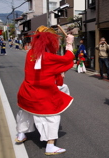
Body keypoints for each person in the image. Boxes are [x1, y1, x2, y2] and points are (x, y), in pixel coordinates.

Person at [15, 25, 75, 156]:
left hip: (26, 92)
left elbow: (44, 70)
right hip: (43, 94)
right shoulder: (49, 58)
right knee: (52, 117)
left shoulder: (30, 53)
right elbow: (68, 60)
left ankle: (21, 134)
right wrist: (69, 44)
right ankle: (50, 146)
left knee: (25, 113)